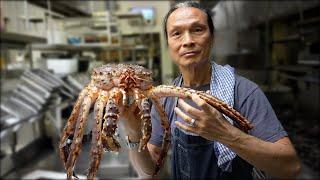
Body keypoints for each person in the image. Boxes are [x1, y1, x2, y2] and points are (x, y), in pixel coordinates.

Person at [120, 1, 301, 179]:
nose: (188, 41)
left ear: (212, 37)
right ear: (168, 44)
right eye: (176, 33)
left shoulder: (243, 91)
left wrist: (225, 133)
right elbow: (149, 172)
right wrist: (134, 132)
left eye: (197, 30)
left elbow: (290, 167)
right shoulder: (166, 98)